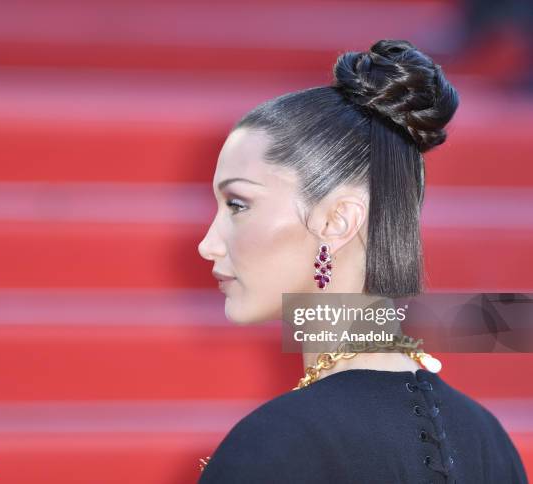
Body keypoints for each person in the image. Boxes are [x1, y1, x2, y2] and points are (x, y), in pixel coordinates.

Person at [196, 39, 528, 483]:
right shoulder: (488, 438)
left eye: (238, 205)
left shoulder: (274, 445)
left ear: (338, 220)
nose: (208, 244)